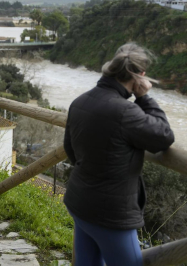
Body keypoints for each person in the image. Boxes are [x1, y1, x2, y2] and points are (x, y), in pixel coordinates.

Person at [63, 43, 174, 266]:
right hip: (111, 214)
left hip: (79, 201)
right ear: (141, 76)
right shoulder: (126, 111)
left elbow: (70, 151)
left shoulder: (81, 101)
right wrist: (144, 98)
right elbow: (164, 136)